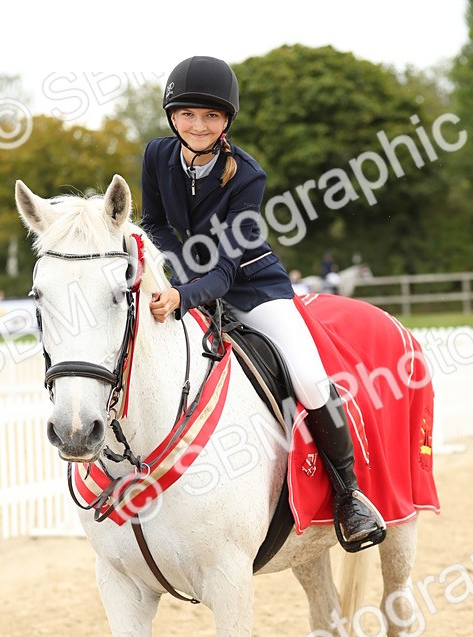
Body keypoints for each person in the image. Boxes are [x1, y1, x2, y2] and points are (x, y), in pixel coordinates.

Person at [141, 55, 385, 550]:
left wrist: (183, 295)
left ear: (227, 119)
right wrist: (179, 272)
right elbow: (155, 223)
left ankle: (349, 495)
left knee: (310, 379)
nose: (198, 125)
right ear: (172, 116)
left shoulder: (247, 174)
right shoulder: (156, 155)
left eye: (211, 116)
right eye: (187, 114)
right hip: (187, 277)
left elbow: (229, 269)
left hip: (253, 285)